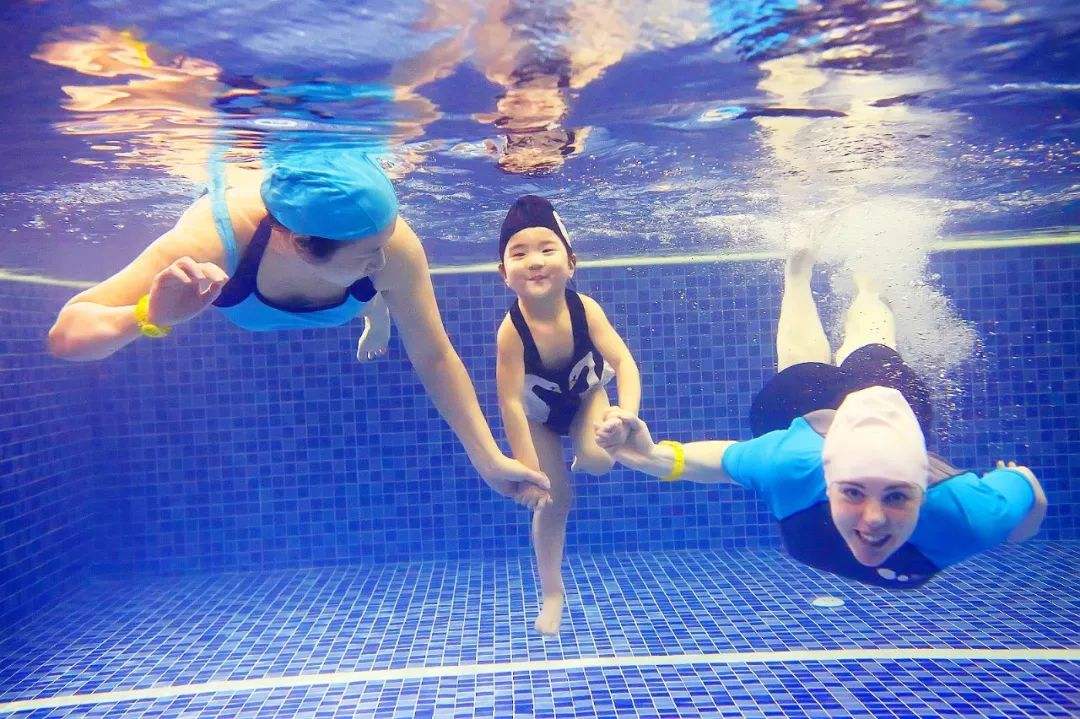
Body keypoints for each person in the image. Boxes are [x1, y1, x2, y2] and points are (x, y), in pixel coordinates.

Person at [47, 147, 550, 508]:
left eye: (384, 243)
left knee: (374, 290)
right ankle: (370, 306)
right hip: (260, 297)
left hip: (342, 298)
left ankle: (374, 309)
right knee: (369, 288)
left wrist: (488, 458)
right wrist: (147, 317)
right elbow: (66, 336)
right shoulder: (213, 240)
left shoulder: (393, 247)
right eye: (367, 254)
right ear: (298, 243)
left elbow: (434, 354)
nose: (384, 260)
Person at [597, 246, 1046, 589]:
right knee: (837, 356)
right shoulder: (793, 462)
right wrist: (652, 455)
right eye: (852, 492)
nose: (873, 519)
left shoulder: (967, 512)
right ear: (828, 480)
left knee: (829, 355)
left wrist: (1015, 527)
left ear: (925, 488)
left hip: (880, 414)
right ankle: (808, 275)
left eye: (896, 496)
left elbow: (1026, 488)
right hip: (832, 415)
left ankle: (859, 283)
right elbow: (722, 459)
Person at [495, 196, 641, 632]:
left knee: (599, 460)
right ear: (504, 274)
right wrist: (527, 470)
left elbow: (625, 363)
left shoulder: (586, 309)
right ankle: (552, 592)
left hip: (586, 397)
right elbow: (509, 403)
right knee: (553, 500)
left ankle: (586, 453)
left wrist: (626, 415)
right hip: (538, 417)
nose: (534, 261)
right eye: (519, 253)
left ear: (571, 263)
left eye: (547, 249)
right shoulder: (511, 332)